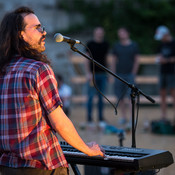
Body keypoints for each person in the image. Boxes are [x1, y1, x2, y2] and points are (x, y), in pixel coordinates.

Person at [0, 6, 104, 175]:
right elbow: (59, 122)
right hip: (42, 167)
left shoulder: (2, 70)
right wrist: (88, 149)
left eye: (43, 27)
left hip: (8, 167)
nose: (44, 32)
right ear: (21, 35)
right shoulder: (38, 69)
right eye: (37, 27)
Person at [111, 27, 139, 128]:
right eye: (119, 33)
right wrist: (113, 74)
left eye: (122, 32)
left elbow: (137, 60)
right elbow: (114, 60)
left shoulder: (134, 45)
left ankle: (132, 119)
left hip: (129, 75)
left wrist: (133, 74)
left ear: (127, 33)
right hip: (119, 75)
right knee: (120, 97)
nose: (121, 34)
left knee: (131, 97)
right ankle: (124, 117)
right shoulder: (117, 46)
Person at [85, 27, 109, 129]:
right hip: (93, 74)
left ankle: (100, 119)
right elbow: (86, 59)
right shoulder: (90, 44)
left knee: (101, 98)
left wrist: (108, 72)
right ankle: (89, 119)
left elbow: (107, 59)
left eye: (101, 32)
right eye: (97, 32)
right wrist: (88, 73)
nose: (99, 34)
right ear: (95, 33)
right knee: (90, 97)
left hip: (102, 74)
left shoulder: (106, 44)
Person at [154, 25, 175, 121]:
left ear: (166, 35)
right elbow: (159, 55)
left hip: (172, 72)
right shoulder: (161, 45)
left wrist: (166, 60)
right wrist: (159, 59)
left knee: (173, 94)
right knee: (162, 94)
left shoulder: (173, 43)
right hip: (162, 72)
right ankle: (163, 116)